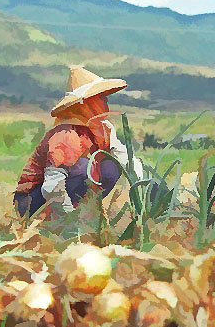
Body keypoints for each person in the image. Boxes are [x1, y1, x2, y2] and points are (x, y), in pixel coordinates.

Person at [14, 66, 144, 218]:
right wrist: (69, 217)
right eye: (100, 98)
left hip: (61, 191)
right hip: (32, 201)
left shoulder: (103, 129)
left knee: (110, 167)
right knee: (83, 168)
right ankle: (59, 219)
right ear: (86, 104)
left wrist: (147, 187)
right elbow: (52, 186)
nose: (105, 103)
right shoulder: (66, 134)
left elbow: (125, 159)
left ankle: (86, 212)